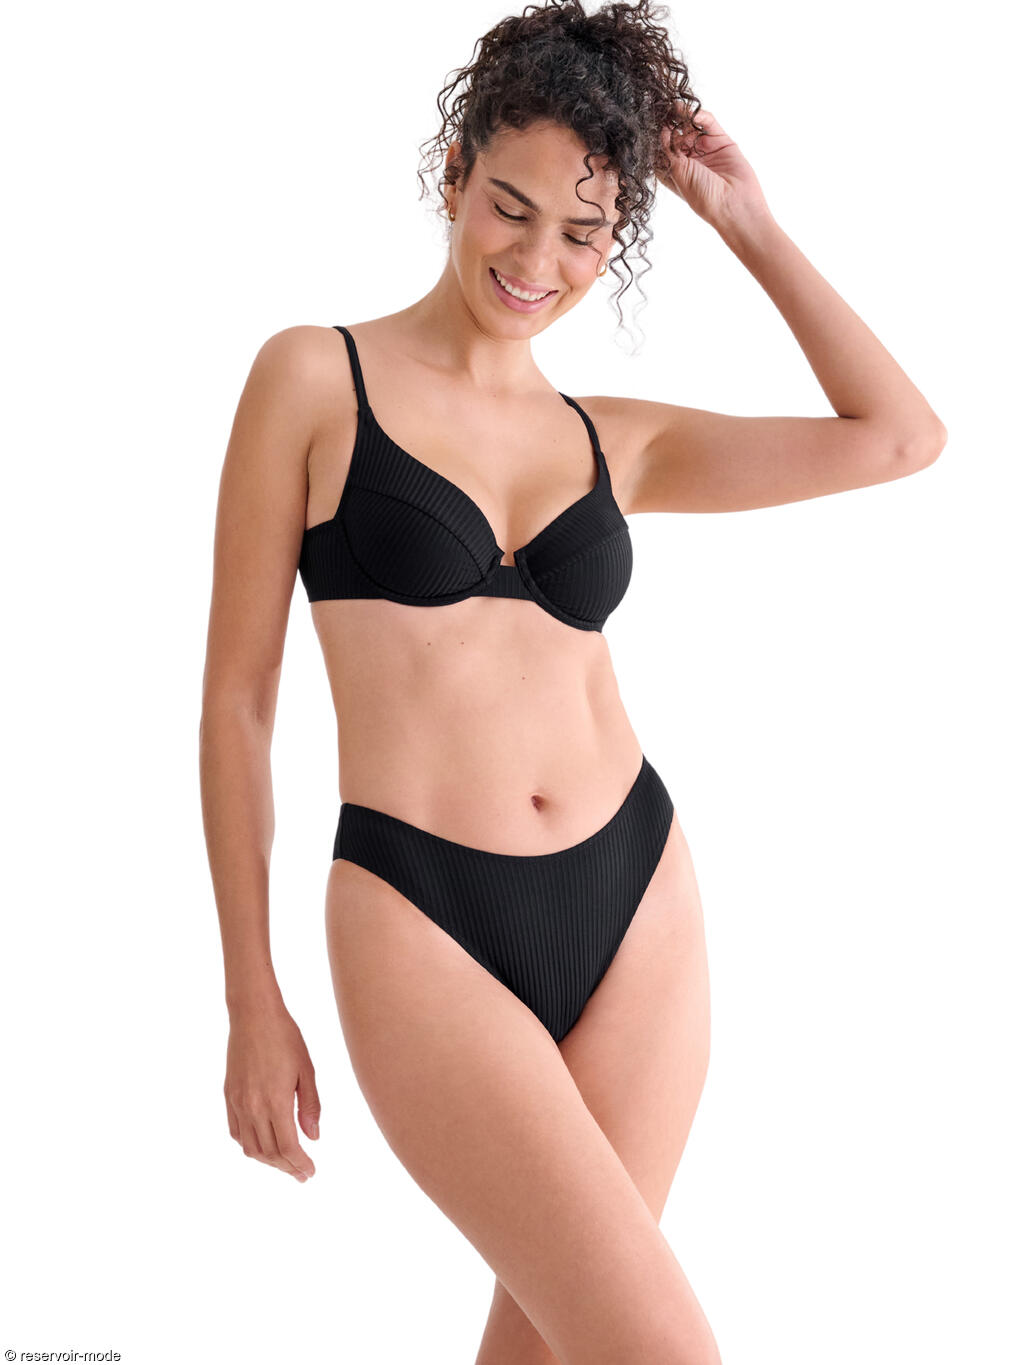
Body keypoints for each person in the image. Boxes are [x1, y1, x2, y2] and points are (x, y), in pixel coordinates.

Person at [198, 1, 946, 1359]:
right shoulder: (315, 378)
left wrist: (751, 224)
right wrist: (251, 990)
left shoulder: (615, 440)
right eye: (511, 206)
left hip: (638, 896)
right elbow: (239, 701)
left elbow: (900, 437)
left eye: (585, 232)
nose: (537, 259)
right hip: (418, 912)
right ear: (454, 173)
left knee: (553, 1347)